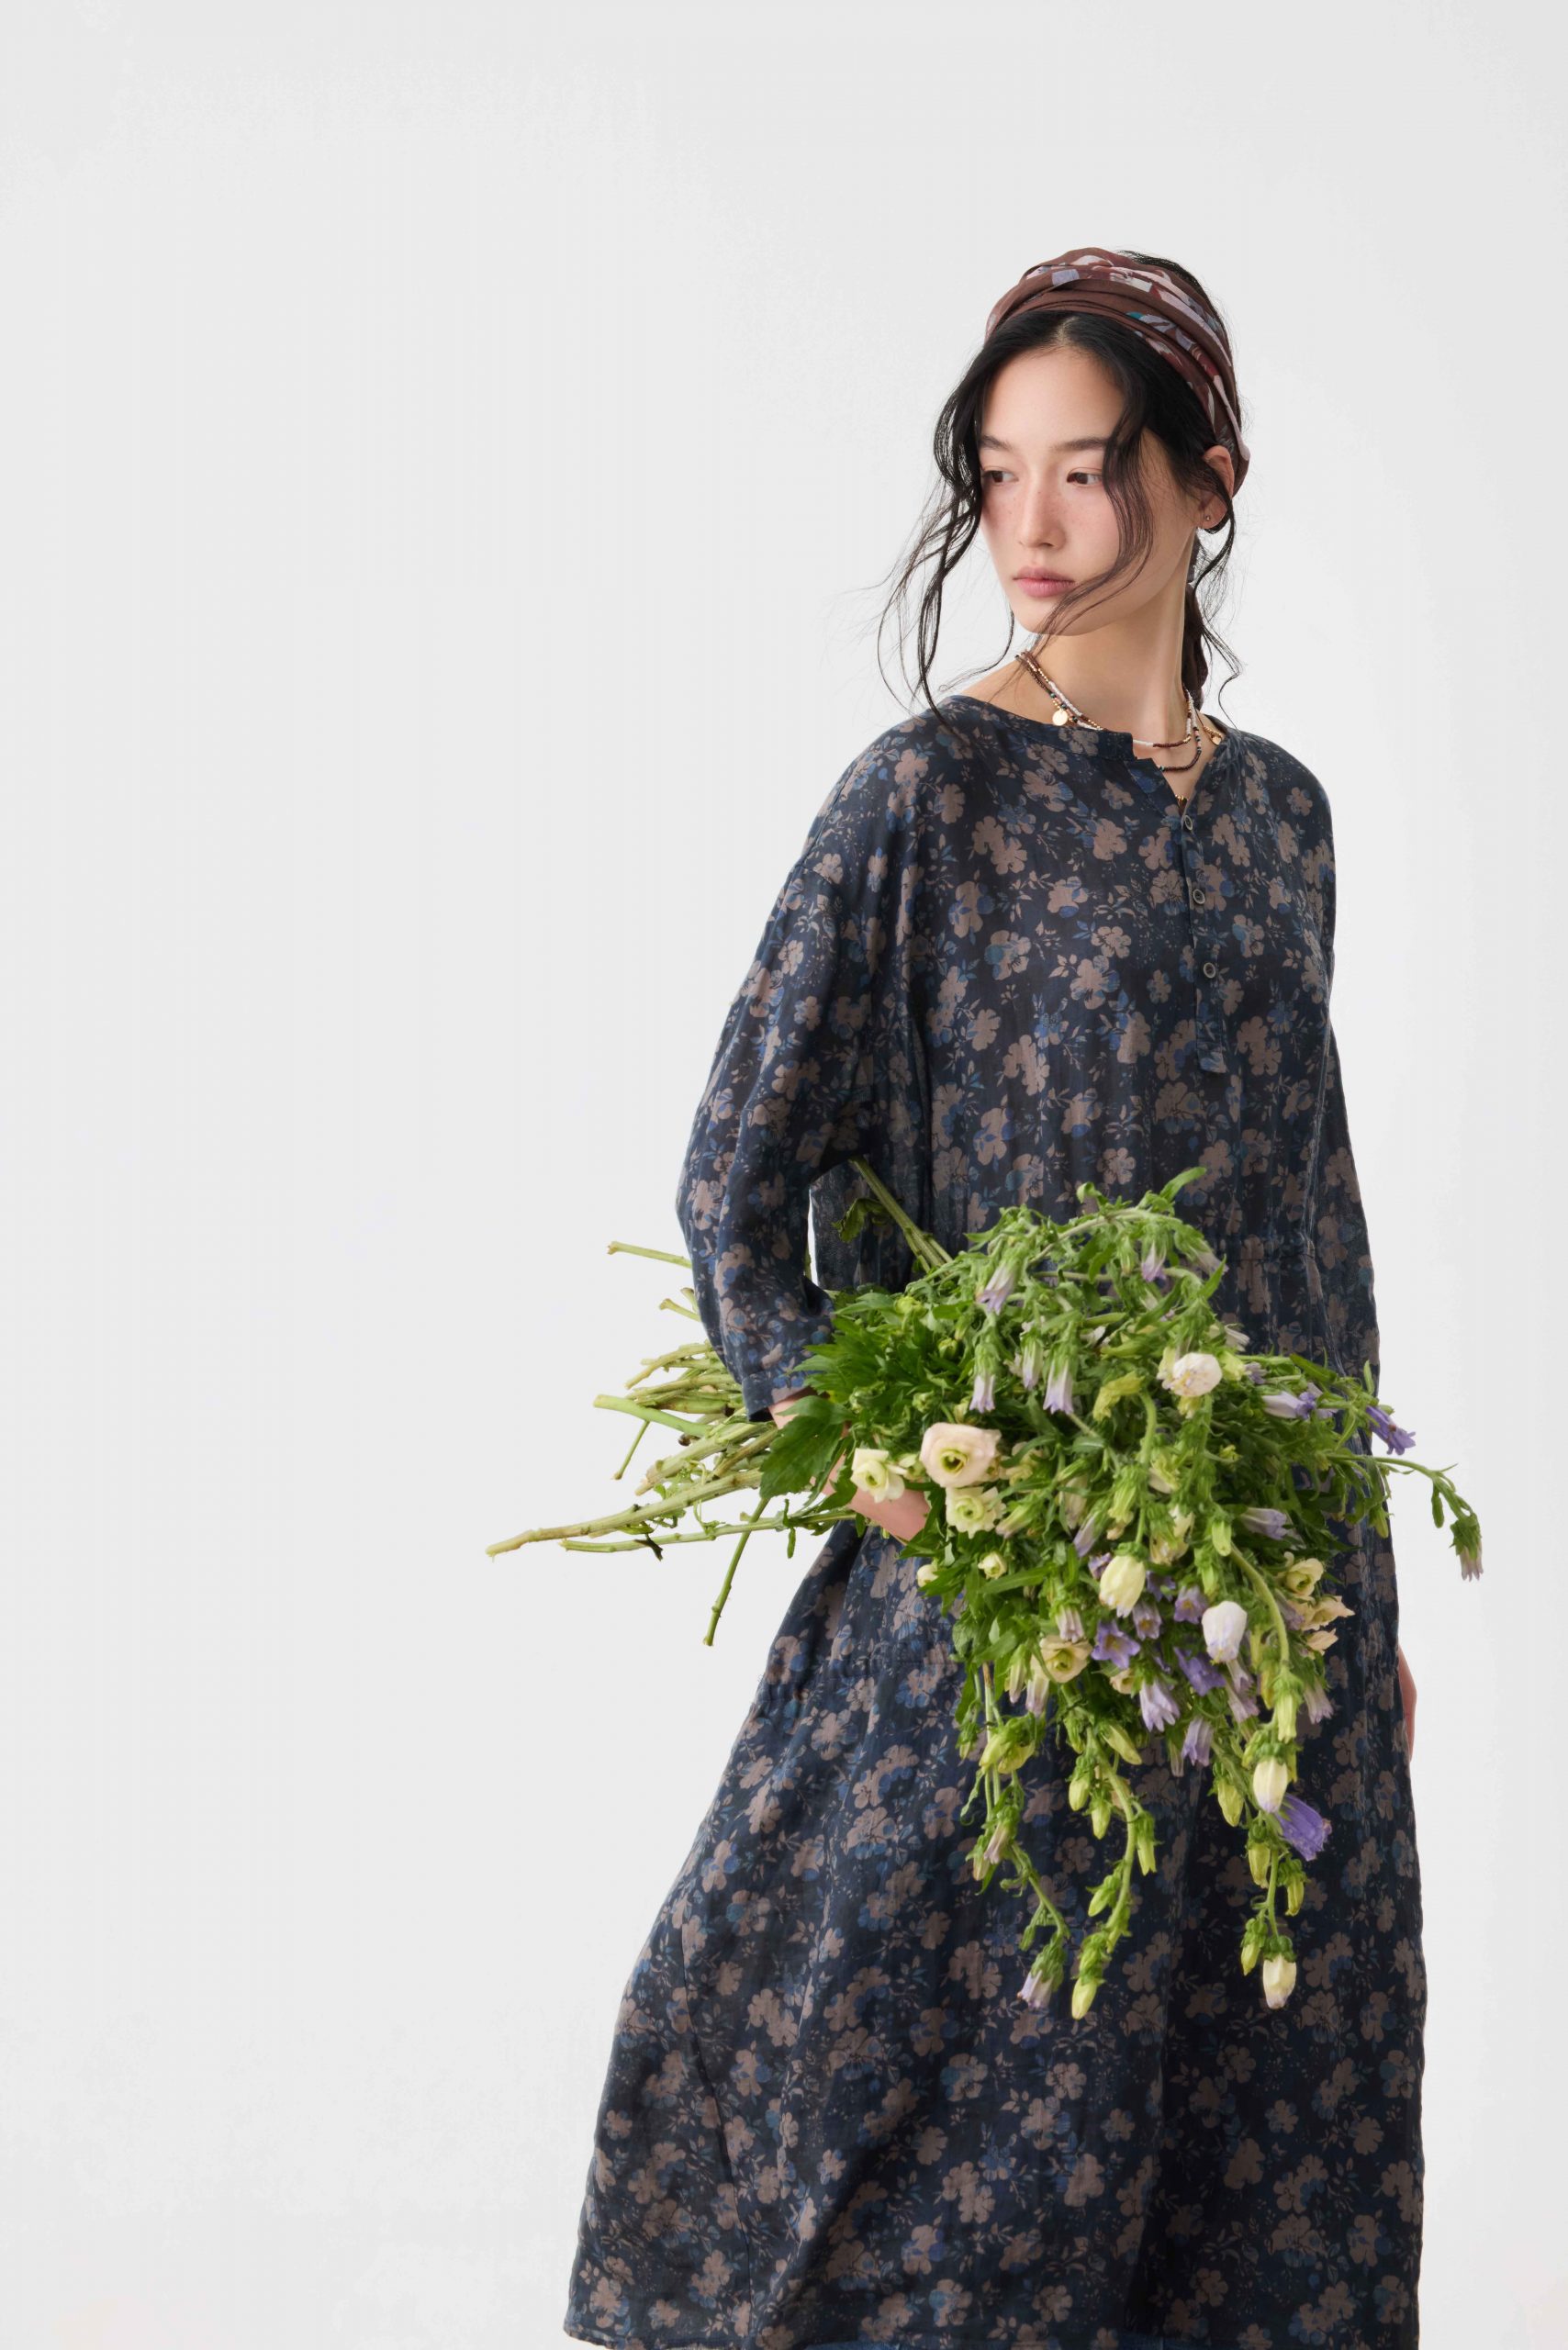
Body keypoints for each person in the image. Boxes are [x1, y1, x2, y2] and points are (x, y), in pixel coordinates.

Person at [563, 247, 1425, 2350]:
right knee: (942, 2131)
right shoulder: (922, 795)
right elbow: (741, 1167)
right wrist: (852, 1429)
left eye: (1086, 469)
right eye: (996, 471)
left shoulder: (1281, 820)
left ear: (1205, 481)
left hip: (1242, 1597)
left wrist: (1352, 1581)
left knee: (1248, 2145)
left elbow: (1305, 1225)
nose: (1026, 526)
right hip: (1002, 1570)